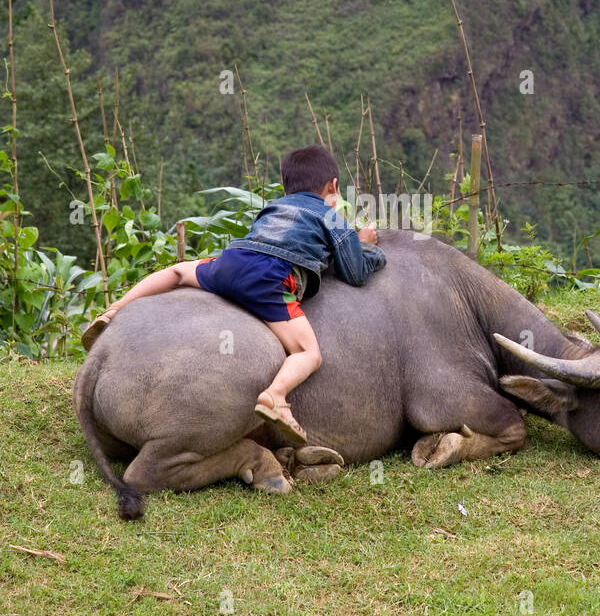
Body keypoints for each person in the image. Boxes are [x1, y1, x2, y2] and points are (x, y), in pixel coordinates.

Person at [80, 145, 385, 445]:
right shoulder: (331, 217)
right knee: (308, 353)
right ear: (332, 187)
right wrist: (365, 243)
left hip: (232, 262)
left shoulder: (274, 206)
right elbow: (355, 272)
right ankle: (275, 396)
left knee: (179, 271)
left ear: (286, 186)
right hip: (270, 278)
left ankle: (113, 311)